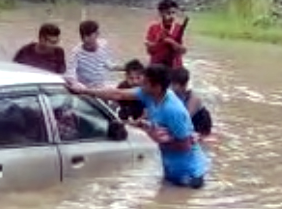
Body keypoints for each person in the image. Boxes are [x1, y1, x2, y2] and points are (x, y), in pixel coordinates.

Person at [67, 64, 209, 189]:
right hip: (171, 169)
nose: (141, 85)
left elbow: (185, 146)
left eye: (145, 82)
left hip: (189, 176)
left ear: (157, 87)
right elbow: (118, 94)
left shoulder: (173, 110)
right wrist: (85, 91)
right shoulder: (149, 94)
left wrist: (156, 138)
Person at [68, 19, 117, 88]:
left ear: (97, 34)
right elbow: (70, 74)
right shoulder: (76, 52)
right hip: (85, 90)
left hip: (102, 88)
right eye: (83, 36)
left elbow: (109, 66)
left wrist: (127, 67)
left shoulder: (104, 45)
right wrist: (75, 83)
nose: (85, 39)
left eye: (88, 35)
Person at [168, 66, 213, 137]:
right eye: (171, 84)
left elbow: (185, 119)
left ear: (184, 85)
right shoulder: (171, 94)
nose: (172, 88)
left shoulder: (193, 99)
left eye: (175, 85)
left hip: (199, 125)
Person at [145, 0, 188, 69]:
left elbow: (183, 51)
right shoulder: (153, 28)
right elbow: (150, 51)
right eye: (168, 13)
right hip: (157, 67)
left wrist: (171, 42)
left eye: (173, 13)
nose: (172, 16)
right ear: (161, 13)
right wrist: (158, 40)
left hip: (174, 67)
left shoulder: (179, 28)